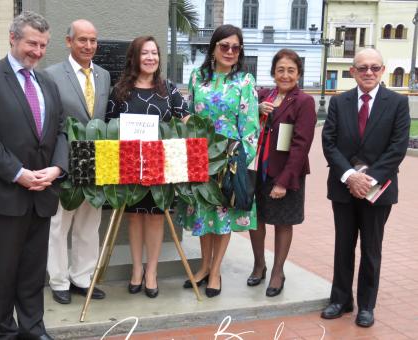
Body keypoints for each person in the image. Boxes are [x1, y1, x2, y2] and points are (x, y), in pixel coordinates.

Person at [0, 11, 67, 340]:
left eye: (43, 45)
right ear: (12, 38)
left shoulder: (48, 82)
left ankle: (33, 328)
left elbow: (62, 131)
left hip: (43, 193)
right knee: (5, 269)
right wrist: (18, 173)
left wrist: (57, 168)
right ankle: (4, 331)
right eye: (31, 43)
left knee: (34, 270)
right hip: (5, 194)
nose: (37, 51)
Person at [321, 48, 410, 327]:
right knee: (343, 246)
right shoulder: (339, 103)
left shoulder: (397, 103)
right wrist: (350, 176)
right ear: (353, 72)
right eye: (362, 68)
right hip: (343, 188)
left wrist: (368, 179)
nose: (368, 72)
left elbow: (397, 148)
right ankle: (341, 300)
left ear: (382, 70)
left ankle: (366, 306)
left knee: (371, 249)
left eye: (374, 67)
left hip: (379, 190)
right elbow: (329, 143)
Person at [177, 24, 259, 298]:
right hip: (200, 156)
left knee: (223, 216)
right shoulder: (197, 78)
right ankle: (203, 266)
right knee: (203, 214)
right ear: (213, 48)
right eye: (224, 46)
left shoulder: (245, 81)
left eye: (236, 47)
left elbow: (250, 126)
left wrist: (241, 160)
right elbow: (188, 114)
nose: (230, 51)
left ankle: (216, 271)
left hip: (229, 159)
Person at [106, 36, 189, 298]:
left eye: (154, 53)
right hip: (130, 164)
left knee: (155, 218)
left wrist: (191, 126)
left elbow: (185, 117)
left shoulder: (169, 89)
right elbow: (109, 127)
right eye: (145, 53)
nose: (151, 57)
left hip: (160, 165)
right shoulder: (120, 90)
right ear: (135, 57)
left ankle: (151, 272)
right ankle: (136, 270)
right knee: (133, 218)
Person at [44, 19, 110, 305]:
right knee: (59, 225)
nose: (89, 46)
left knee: (89, 223)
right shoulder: (50, 75)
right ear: (69, 41)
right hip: (64, 160)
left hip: (97, 161)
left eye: (93, 40)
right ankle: (58, 281)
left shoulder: (104, 75)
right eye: (82, 40)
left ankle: (82, 279)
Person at [247, 49, 316, 297]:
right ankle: (259, 264)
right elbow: (244, 123)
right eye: (280, 70)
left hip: (286, 173)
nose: (285, 75)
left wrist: (284, 181)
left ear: (298, 74)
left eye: (291, 70)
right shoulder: (263, 95)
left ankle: (278, 271)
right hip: (257, 170)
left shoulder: (303, 102)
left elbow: (301, 144)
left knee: (283, 222)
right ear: (273, 72)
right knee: (256, 219)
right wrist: (256, 110)